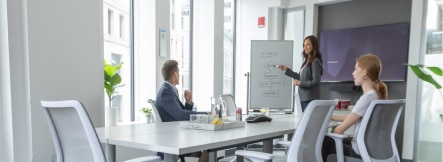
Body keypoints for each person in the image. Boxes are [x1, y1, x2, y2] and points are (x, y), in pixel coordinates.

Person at [321, 53, 388, 161]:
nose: (353, 73)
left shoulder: (366, 99)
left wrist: (327, 131)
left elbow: (339, 131)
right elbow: (355, 116)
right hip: (372, 150)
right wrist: (332, 116)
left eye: (356, 69)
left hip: (360, 153)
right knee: (343, 140)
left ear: (365, 72)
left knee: (323, 140)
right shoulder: (375, 96)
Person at [155, 59, 209, 161]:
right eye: (179, 73)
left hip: (177, 137)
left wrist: (188, 102)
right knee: (208, 149)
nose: (179, 75)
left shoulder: (169, 90)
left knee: (207, 148)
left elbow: (179, 114)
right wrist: (207, 114)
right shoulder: (166, 92)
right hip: (173, 142)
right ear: (175, 74)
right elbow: (181, 116)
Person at [278, 35, 323, 112]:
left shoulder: (315, 61)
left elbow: (316, 81)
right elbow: (300, 77)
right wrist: (287, 69)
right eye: (304, 45)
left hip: (310, 98)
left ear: (314, 46)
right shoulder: (307, 61)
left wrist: (300, 83)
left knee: (308, 122)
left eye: (308, 44)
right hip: (303, 97)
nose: (305, 47)